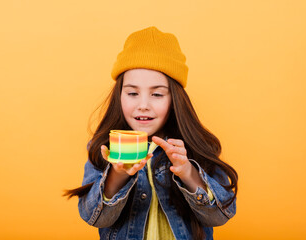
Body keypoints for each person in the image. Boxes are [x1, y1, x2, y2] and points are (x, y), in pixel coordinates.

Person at [64, 26, 238, 240]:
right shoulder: (103, 148)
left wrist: (187, 172)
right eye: (132, 93)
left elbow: (220, 216)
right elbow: (94, 218)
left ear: (174, 99)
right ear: (119, 96)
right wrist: (117, 175)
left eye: (157, 94)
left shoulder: (196, 146)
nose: (143, 105)